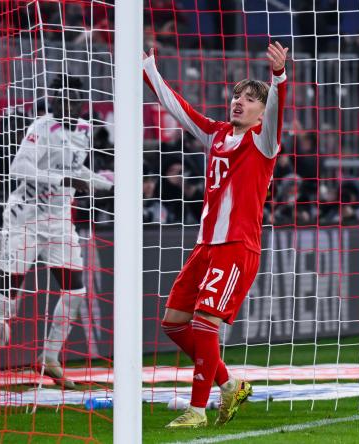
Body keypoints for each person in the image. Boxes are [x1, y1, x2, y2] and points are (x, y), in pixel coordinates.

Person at [143, 41, 288, 428]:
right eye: (237, 95)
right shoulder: (218, 134)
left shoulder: (263, 140)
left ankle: (196, 410)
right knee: (174, 322)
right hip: (204, 246)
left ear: (262, 110)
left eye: (250, 98)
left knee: (205, 323)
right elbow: (180, 109)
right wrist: (147, 68)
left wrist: (278, 77)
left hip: (236, 247)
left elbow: (277, 107)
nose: (239, 101)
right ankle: (230, 383)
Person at [0, 75, 113, 390]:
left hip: (59, 222)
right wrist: (63, 181)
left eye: (73, 99)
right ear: (52, 99)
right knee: (6, 297)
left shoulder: (84, 131)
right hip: (25, 218)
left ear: (81, 102)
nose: (66, 103)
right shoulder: (41, 127)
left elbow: (77, 171)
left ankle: (49, 358)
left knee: (75, 292)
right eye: (60, 97)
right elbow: (19, 169)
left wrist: (109, 184)